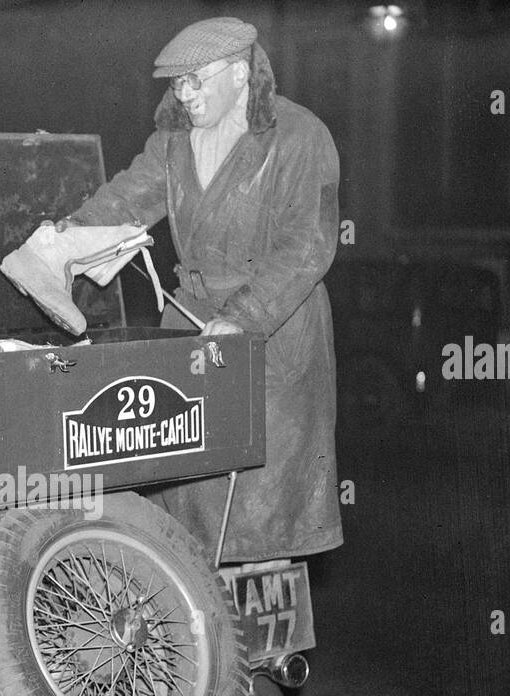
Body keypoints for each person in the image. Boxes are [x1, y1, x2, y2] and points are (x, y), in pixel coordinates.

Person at [61, 16, 343, 563]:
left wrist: (243, 316)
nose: (184, 95)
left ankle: (263, 640)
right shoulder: (174, 142)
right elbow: (123, 203)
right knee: (185, 517)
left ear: (240, 74)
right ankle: (196, 632)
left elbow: (306, 246)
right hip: (193, 330)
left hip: (272, 340)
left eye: (196, 80)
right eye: (177, 84)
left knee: (260, 519)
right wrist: (63, 239)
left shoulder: (300, 136)